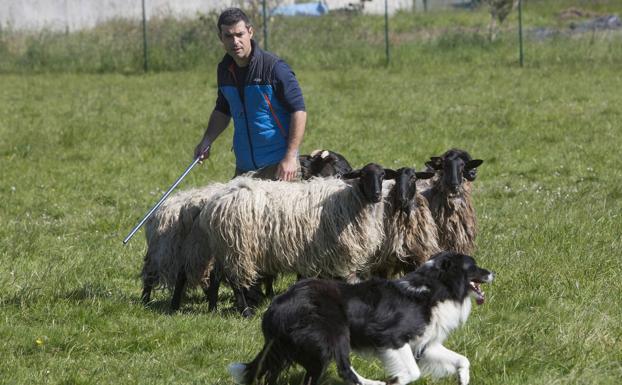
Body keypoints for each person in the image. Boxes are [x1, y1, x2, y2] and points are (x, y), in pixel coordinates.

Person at [194, 7, 307, 181]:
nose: (235, 41)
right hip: (244, 168)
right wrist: (207, 140)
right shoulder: (224, 70)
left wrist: (291, 157)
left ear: (250, 32)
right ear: (220, 38)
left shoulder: (274, 68)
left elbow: (298, 110)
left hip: (279, 167)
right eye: (228, 36)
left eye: (240, 34)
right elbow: (223, 110)